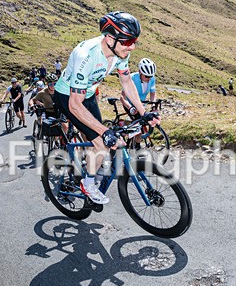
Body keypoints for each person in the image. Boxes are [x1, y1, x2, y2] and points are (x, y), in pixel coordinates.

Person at [53, 11, 158, 205]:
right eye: (128, 41)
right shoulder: (86, 55)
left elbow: (126, 82)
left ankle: (89, 164)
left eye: (134, 41)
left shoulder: (119, 52)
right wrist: (104, 132)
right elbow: (75, 105)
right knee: (102, 141)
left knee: (100, 142)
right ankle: (88, 183)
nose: (132, 47)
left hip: (89, 95)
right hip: (68, 97)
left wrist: (144, 113)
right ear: (110, 38)